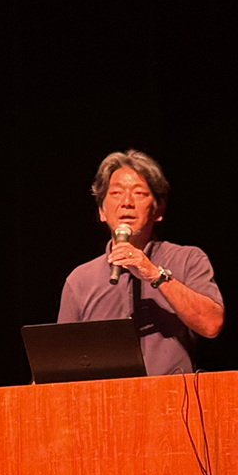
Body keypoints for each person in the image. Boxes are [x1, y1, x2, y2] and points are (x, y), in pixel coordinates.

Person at [57, 149, 224, 375]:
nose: (127, 202)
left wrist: (154, 274)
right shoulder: (80, 279)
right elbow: (61, 362)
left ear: (159, 209)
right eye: (116, 193)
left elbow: (212, 325)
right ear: (101, 211)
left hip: (172, 394)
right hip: (104, 396)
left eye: (139, 193)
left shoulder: (188, 259)